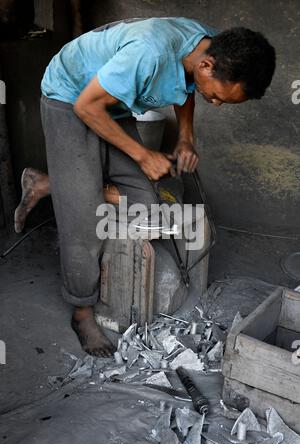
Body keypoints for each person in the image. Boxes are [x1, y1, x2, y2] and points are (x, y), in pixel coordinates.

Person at [15, 17, 276, 357]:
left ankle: (50, 183)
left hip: (115, 103)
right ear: (207, 66)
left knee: (147, 202)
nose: (215, 103)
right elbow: (86, 107)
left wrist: (185, 138)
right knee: (83, 218)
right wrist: (142, 155)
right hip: (72, 97)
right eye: (217, 96)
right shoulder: (149, 53)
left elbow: (188, 87)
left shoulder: (209, 46)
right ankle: (81, 312)